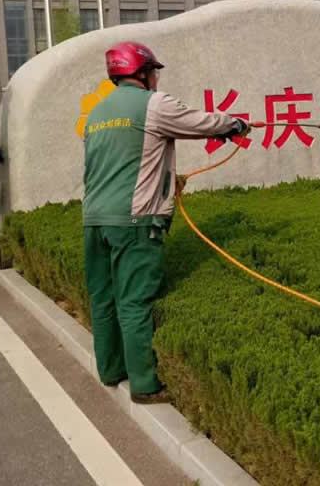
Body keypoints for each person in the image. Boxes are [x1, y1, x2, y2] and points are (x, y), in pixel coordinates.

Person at [83, 41, 249, 403]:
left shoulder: (97, 114)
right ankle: (144, 385)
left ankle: (111, 370)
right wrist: (235, 124)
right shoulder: (153, 104)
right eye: (153, 72)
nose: (157, 78)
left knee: (103, 298)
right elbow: (200, 122)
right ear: (141, 73)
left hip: (94, 220)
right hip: (135, 221)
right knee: (134, 301)